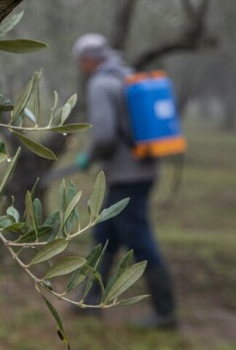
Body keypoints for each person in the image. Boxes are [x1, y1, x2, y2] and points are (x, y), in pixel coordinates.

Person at [72, 33, 178, 330]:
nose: (81, 67)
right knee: (104, 235)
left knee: (141, 243)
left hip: (125, 176)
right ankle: (90, 301)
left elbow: (104, 135)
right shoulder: (128, 76)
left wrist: (88, 156)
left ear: (88, 59)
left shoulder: (100, 84)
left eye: (80, 61)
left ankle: (166, 314)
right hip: (144, 169)